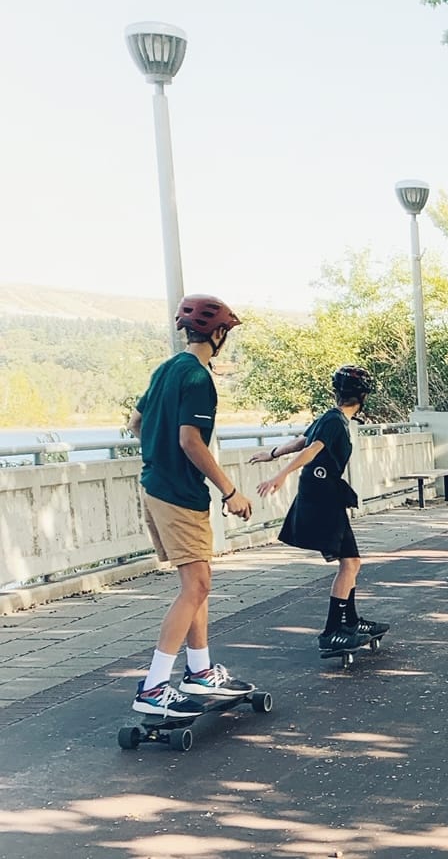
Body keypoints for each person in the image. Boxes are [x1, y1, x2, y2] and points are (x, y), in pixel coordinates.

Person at [127, 294, 256, 719]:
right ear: (218, 334)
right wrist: (230, 490)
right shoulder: (199, 379)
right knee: (196, 586)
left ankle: (199, 671)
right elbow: (190, 440)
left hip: (155, 484)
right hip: (178, 492)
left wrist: (155, 448)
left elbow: (136, 421)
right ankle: (154, 687)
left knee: (198, 580)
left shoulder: (166, 368)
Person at [251, 365, 389, 654]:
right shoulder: (335, 422)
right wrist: (281, 474)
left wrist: (271, 454)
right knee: (349, 564)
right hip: (322, 497)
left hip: (322, 495)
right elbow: (311, 448)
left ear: (337, 392)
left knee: (351, 562)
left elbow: (303, 441)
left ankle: (349, 621)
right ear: (363, 396)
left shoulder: (330, 418)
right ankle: (333, 632)